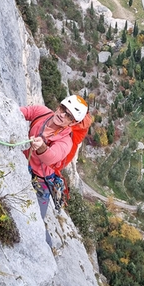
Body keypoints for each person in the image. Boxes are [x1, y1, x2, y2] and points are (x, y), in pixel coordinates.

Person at [20, 95, 89, 226]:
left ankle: (46, 244)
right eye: (63, 109)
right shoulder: (42, 113)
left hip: (40, 180)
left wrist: (42, 147)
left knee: (36, 222)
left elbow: (52, 156)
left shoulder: (66, 141)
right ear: (58, 106)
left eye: (69, 116)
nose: (62, 115)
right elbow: (22, 112)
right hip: (21, 162)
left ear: (73, 123)